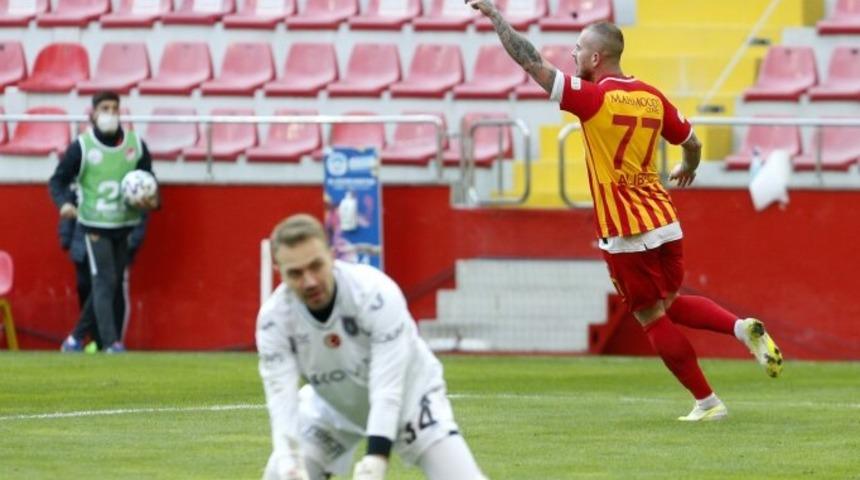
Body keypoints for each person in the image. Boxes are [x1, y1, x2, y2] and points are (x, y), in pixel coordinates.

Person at [469, 1, 783, 421]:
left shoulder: (592, 98)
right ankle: (740, 328)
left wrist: (496, 19)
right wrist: (685, 170)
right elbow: (692, 143)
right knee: (669, 301)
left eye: (579, 49)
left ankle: (708, 403)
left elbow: (532, 63)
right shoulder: (652, 97)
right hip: (665, 221)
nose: (573, 55)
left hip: (625, 229)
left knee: (650, 315)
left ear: (596, 58)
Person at [257, 214, 488, 480]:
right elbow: (281, 398)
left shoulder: (375, 294)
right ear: (279, 271)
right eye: (295, 273)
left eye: (316, 266)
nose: (309, 282)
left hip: (411, 399)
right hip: (333, 407)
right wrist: (290, 464)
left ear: (332, 255)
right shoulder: (273, 321)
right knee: (279, 475)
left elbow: (387, 387)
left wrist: (375, 461)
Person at [49, 91, 159, 353]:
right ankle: (111, 343)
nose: (110, 113)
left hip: (124, 224)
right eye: (104, 108)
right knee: (105, 279)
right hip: (94, 224)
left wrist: (153, 201)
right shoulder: (82, 147)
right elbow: (58, 180)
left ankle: (75, 338)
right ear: (93, 113)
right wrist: (64, 203)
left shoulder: (136, 145)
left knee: (110, 280)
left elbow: (150, 182)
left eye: (114, 108)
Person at [58, 210, 148, 350]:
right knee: (98, 285)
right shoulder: (89, 193)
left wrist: (133, 239)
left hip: (119, 235)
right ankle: (100, 341)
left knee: (106, 285)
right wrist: (66, 234)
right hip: (90, 234)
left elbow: (141, 204)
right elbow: (67, 194)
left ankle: (96, 340)